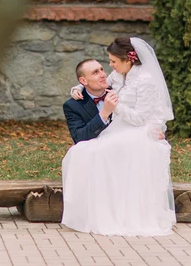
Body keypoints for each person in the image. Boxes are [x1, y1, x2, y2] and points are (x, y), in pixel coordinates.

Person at [61, 37, 176, 236]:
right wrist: (78, 88)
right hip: (120, 128)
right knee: (85, 151)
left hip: (137, 130)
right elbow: (97, 84)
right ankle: (97, 211)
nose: (110, 66)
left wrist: (115, 107)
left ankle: (115, 215)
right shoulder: (119, 74)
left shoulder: (145, 81)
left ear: (127, 59)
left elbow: (140, 118)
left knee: (102, 152)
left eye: (113, 61)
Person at [62, 59, 118, 144]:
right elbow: (79, 138)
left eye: (101, 69)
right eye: (95, 72)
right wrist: (104, 113)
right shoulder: (72, 106)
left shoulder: (118, 92)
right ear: (83, 81)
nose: (103, 75)